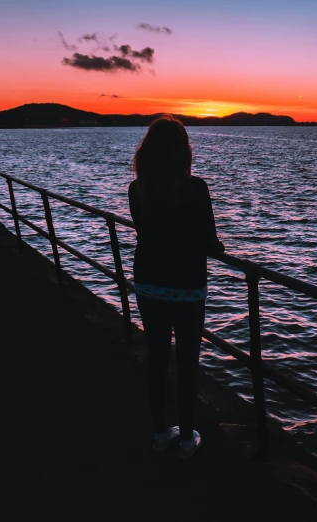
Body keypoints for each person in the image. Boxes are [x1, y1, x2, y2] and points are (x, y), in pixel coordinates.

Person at [128, 115, 225, 459]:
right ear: (184, 152)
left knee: (156, 358)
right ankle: (186, 438)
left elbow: (146, 232)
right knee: (187, 361)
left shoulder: (137, 189)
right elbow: (211, 243)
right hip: (187, 286)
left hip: (149, 282)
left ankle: (159, 433)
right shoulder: (195, 188)